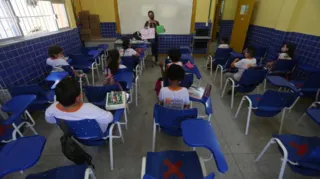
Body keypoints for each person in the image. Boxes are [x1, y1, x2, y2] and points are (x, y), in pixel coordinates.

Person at [45, 78, 113, 136]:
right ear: (78, 98)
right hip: (97, 136)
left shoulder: (50, 110)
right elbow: (109, 118)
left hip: (75, 135)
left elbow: (51, 121)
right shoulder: (91, 108)